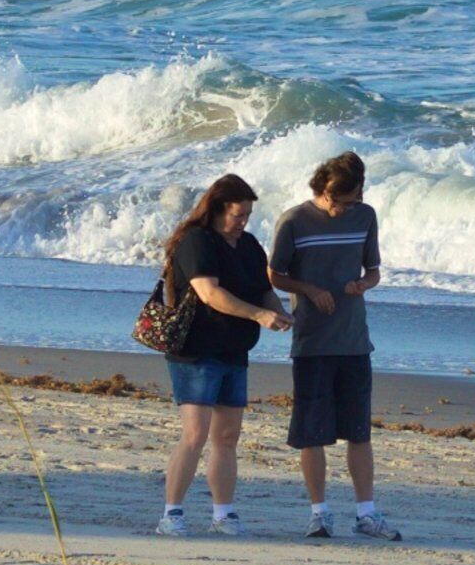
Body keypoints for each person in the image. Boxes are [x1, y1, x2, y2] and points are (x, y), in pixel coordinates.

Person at [269, 151, 397, 541]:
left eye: (351, 201)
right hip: (311, 341)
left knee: (360, 432)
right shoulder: (293, 220)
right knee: (313, 433)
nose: (343, 209)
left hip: (355, 339)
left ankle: (366, 513)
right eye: (337, 202)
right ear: (322, 188)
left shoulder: (365, 215)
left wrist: (364, 284)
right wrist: (310, 289)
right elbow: (275, 274)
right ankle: (319, 513)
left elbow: (373, 271)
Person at [156, 172, 289, 536]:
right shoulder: (196, 241)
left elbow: (264, 291)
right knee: (195, 434)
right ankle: (172, 513)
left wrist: (279, 311)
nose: (242, 222)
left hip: (234, 351)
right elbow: (210, 294)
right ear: (216, 210)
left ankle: (223, 514)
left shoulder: (247, 245)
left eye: (247, 215)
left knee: (227, 437)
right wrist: (259, 315)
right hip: (196, 351)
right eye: (237, 215)